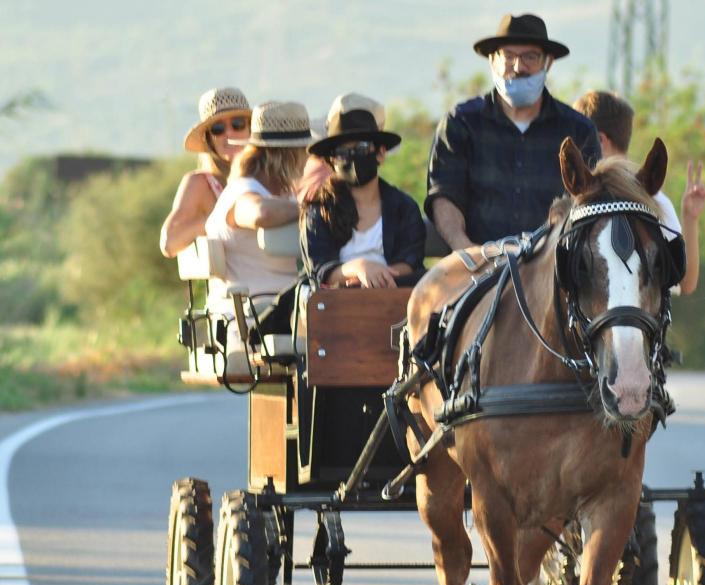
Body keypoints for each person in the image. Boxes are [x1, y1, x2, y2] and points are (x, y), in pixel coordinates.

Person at [425, 13, 601, 248]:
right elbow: (444, 195)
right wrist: (467, 252)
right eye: (508, 56)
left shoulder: (578, 131)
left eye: (530, 56)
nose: (518, 67)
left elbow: (593, 201)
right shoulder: (460, 124)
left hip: (553, 271)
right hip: (479, 270)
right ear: (492, 60)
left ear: (548, 62)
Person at [203, 100, 312, 371]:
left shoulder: (275, 193)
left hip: (277, 309)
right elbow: (258, 213)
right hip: (257, 316)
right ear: (287, 156)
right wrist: (311, 210)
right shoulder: (244, 191)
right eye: (304, 152)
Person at [573, 90, 705, 295]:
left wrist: (690, 218)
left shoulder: (651, 201)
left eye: (578, 140)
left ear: (600, 141)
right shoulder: (655, 200)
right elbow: (687, 283)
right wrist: (690, 219)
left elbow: (684, 282)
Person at [301, 100, 426, 288]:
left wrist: (378, 277)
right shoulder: (318, 210)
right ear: (331, 161)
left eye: (361, 148)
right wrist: (359, 268)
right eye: (342, 153)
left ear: (380, 153)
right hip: (335, 307)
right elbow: (320, 268)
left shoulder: (403, 207)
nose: (352, 157)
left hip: (397, 300)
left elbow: (410, 260)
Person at [160, 87, 251, 258]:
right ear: (209, 138)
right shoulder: (201, 183)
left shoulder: (272, 176)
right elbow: (169, 243)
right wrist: (223, 217)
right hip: (235, 284)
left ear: (250, 129)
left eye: (237, 124)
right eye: (218, 128)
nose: (229, 133)